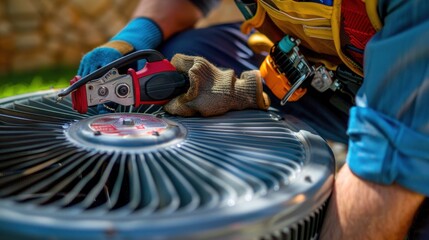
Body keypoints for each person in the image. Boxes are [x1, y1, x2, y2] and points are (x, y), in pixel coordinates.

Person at [77, 0, 429, 239]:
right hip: (313, 77)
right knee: (170, 68)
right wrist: (133, 38)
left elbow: (383, 179)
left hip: (412, 89)